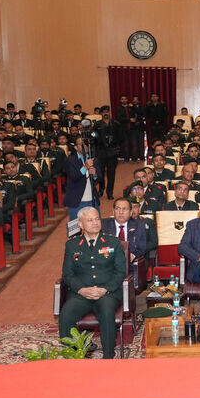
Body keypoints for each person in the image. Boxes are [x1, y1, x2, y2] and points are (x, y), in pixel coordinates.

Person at [58, 207, 128, 359]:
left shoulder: (113, 242)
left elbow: (120, 272)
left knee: (106, 312)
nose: (95, 223)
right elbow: (68, 274)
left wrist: (105, 289)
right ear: (80, 224)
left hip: (107, 293)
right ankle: (76, 353)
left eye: (97, 219)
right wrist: (81, 290)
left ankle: (108, 356)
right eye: (90, 220)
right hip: (81, 294)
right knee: (66, 315)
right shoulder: (72, 245)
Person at [101, 198, 147, 275]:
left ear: (131, 212)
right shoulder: (103, 225)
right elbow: (98, 247)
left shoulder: (139, 225)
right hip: (107, 265)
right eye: (118, 209)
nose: (121, 212)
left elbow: (142, 248)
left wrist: (133, 255)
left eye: (124, 209)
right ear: (113, 211)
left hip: (130, 265)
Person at [64, 136, 98, 221]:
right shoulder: (70, 160)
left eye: (86, 144)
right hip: (77, 200)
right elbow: (73, 177)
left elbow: (99, 179)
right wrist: (85, 167)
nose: (85, 146)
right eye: (81, 144)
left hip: (92, 199)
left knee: (96, 225)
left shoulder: (92, 159)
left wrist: (95, 175)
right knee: (75, 227)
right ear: (75, 147)